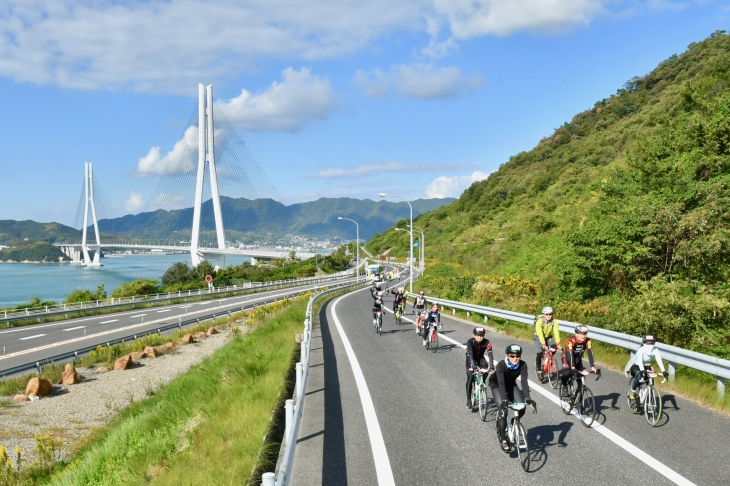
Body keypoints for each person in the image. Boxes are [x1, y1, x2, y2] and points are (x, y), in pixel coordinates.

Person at [488, 344, 536, 451]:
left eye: (518, 356)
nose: (515, 358)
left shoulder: (523, 365)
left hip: (511, 385)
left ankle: (514, 422)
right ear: (507, 355)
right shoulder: (501, 365)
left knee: (522, 406)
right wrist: (504, 400)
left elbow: (524, 381)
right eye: (512, 356)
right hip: (497, 385)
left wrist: (527, 397)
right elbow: (501, 383)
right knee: (503, 410)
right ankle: (503, 439)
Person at [624, 335, 668, 401]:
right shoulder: (641, 350)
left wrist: (664, 371)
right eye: (648, 343)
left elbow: (659, 361)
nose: (650, 345)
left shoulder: (655, 350)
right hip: (636, 366)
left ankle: (649, 400)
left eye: (652, 343)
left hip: (647, 366)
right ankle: (632, 391)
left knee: (650, 383)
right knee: (640, 376)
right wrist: (642, 370)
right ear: (644, 343)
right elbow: (640, 361)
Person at [465, 327, 495, 408]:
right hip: (471, 359)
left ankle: (481, 383)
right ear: (474, 335)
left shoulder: (487, 342)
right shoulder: (470, 342)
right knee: (470, 377)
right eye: (478, 335)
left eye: (482, 335)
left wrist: (491, 365)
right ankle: (468, 399)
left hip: (480, 358)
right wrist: (473, 365)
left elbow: (490, 354)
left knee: (486, 369)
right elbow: (470, 354)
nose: (480, 337)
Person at [534, 306, 561, 379]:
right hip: (538, 337)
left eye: (551, 314)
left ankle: (547, 360)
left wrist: (558, 343)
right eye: (547, 314)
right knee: (539, 353)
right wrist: (543, 344)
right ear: (543, 315)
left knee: (554, 348)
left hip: (548, 337)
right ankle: (539, 370)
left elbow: (556, 332)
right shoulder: (539, 321)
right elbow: (539, 333)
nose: (549, 316)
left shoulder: (554, 322)